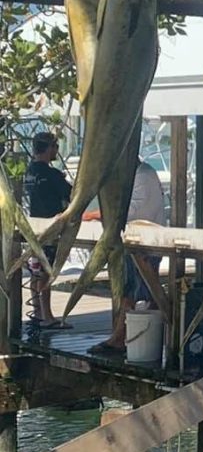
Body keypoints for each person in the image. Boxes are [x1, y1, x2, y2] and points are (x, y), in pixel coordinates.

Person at [91, 156, 165, 354]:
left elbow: (135, 211)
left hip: (145, 244)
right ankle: (128, 336)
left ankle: (124, 337)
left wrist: (94, 215)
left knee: (137, 292)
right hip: (135, 242)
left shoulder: (144, 175)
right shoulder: (137, 175)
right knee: (138, 292)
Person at [24, 130, 73, 328]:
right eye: (56, 147)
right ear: (49, 148)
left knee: (36, 270)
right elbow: (71, 194)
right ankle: (47, 316)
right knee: (46, 271)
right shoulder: (52, 175)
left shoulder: (29, 172)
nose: (57, 151)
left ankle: (38, 312)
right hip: (50, 227)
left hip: (33, 227)